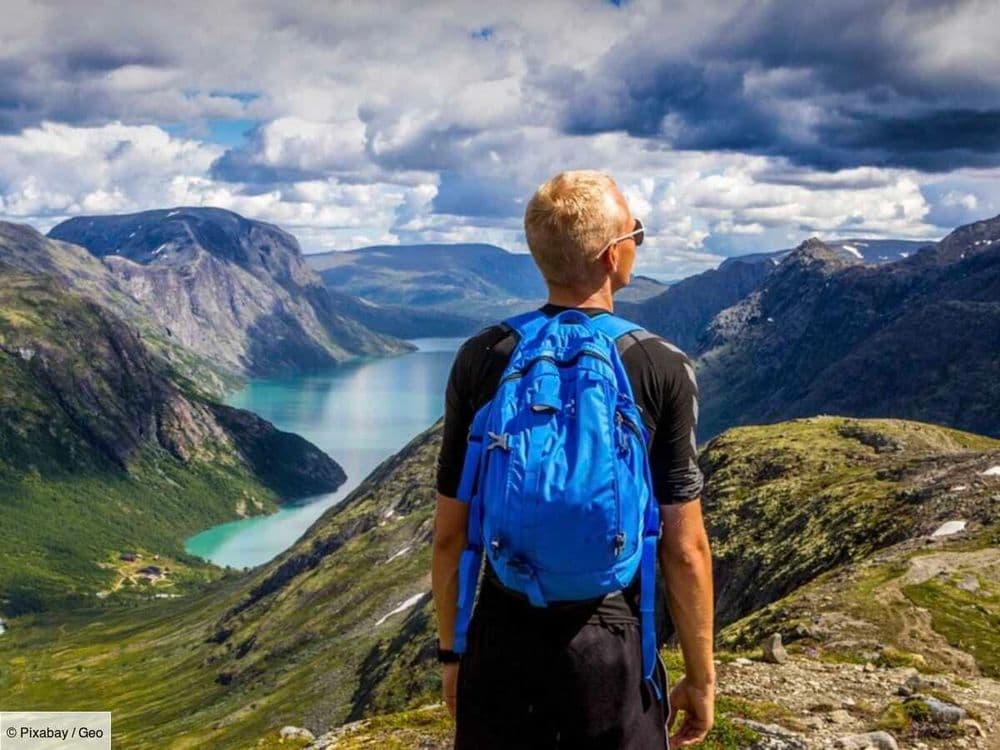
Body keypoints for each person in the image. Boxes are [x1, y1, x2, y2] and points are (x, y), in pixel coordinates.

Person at [431, 170, 715, 749]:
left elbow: (450, 537)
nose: (638, 240)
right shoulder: (659, 364)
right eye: (637, 231)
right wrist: (701, 677)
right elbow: (685, 549)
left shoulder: (484, 356)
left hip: (503, 631)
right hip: (611, 639)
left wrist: (453, 653)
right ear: (613, 256)